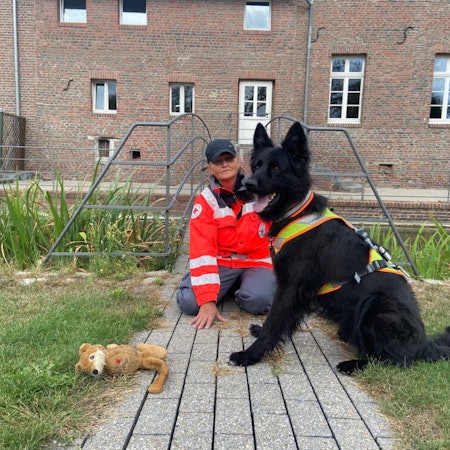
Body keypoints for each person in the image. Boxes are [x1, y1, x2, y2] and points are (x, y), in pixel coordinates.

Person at [176, 138, 276, 329]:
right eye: (218, 161)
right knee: (190, 303)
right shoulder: (205, 201)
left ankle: (239, 288)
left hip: (257, 261)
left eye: (229, 159)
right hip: (222, 262)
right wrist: (207, 300)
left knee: (259, 301)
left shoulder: (262, 190)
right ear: (209, 168)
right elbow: (202, 250)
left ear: (238, 161)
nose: (224, 164)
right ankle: (220, 286)